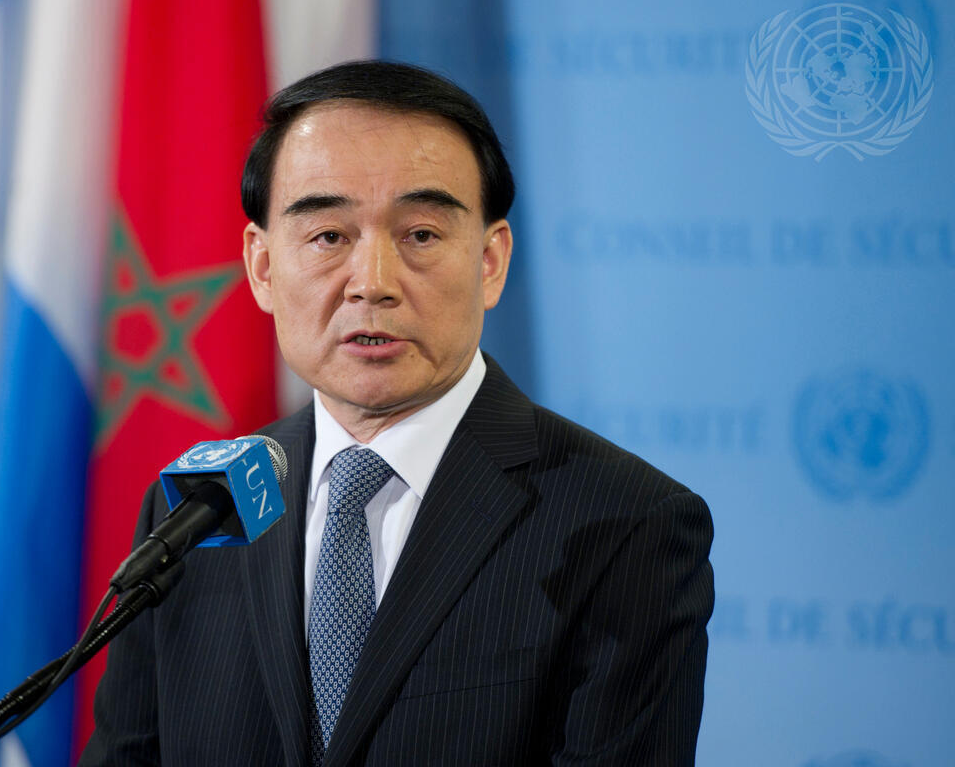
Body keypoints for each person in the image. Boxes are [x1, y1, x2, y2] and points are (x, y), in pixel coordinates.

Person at [80, 60, 714, 767]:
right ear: (262, 267)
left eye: (421, 235)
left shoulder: (627, 524)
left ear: (490, 262)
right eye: (328, 236)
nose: (373, 283)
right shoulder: (198, 510)